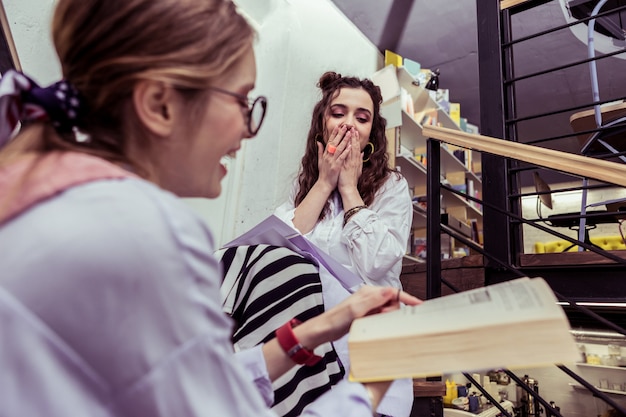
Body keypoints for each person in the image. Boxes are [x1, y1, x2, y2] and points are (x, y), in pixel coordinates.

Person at [0, 1, 421, 416]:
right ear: (159, 105)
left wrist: (308, 334)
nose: (246, 126)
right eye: (240, 100)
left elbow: (185, 384)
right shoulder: (147, 234)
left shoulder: (48, 195)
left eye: (362, 118)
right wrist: (368, 390)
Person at [274, 72, 415, 416]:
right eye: (338, 113)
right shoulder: (303, 193)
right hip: (313, 353)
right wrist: (325, 183)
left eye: (361, 117)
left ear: (372, 134)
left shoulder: (392, 188)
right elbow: (280, 252)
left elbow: (379, 261)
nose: (349, 124)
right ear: (321, 124)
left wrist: (350, 189)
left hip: (371, 350)